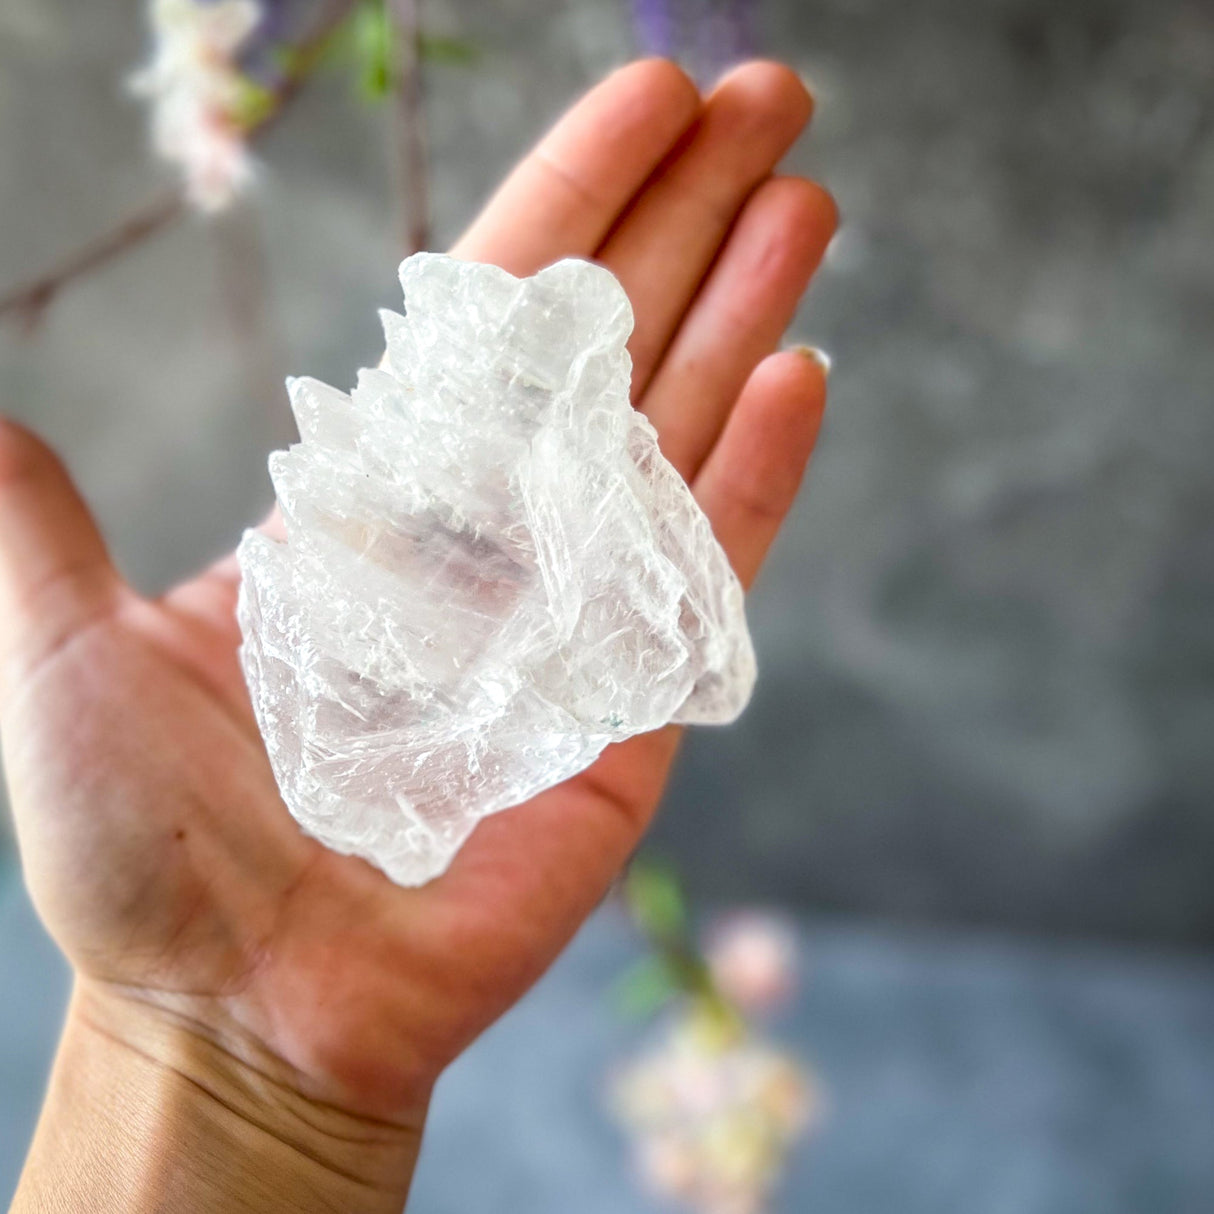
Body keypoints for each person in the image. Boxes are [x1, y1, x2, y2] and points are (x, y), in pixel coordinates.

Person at [2, 58, 836, 1212]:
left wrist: (226, 1081)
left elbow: (643, 630)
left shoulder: (572, 488)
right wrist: (210, 1056)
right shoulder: (433, 501)